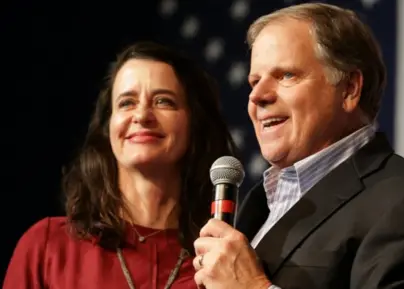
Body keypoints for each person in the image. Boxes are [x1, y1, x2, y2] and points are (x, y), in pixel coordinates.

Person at [192, 3, 404, 289]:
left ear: (349, 89)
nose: (258, 96)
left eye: (286, 75)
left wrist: (252, 288)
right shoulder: (258, 203)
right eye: (254, 81)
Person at [3, 41, 237, 289]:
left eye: (163, 101)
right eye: (127, 102)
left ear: (194, 124)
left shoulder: (222, 258)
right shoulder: (48, 246)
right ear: (108, 128)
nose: (142, 115)